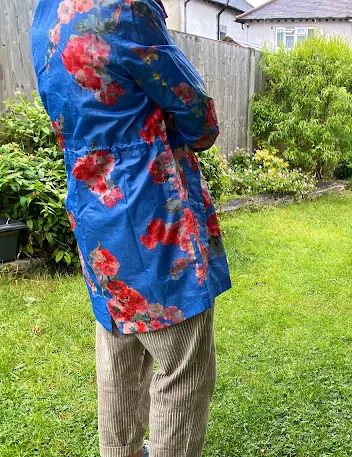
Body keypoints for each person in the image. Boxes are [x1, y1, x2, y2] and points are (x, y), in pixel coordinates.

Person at [30, 1, 231, 456]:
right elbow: (196, 112)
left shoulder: (45, 14)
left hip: (92, 202)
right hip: (149, 209)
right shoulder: (127, 9)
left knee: (120, 345)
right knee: (184, 362)